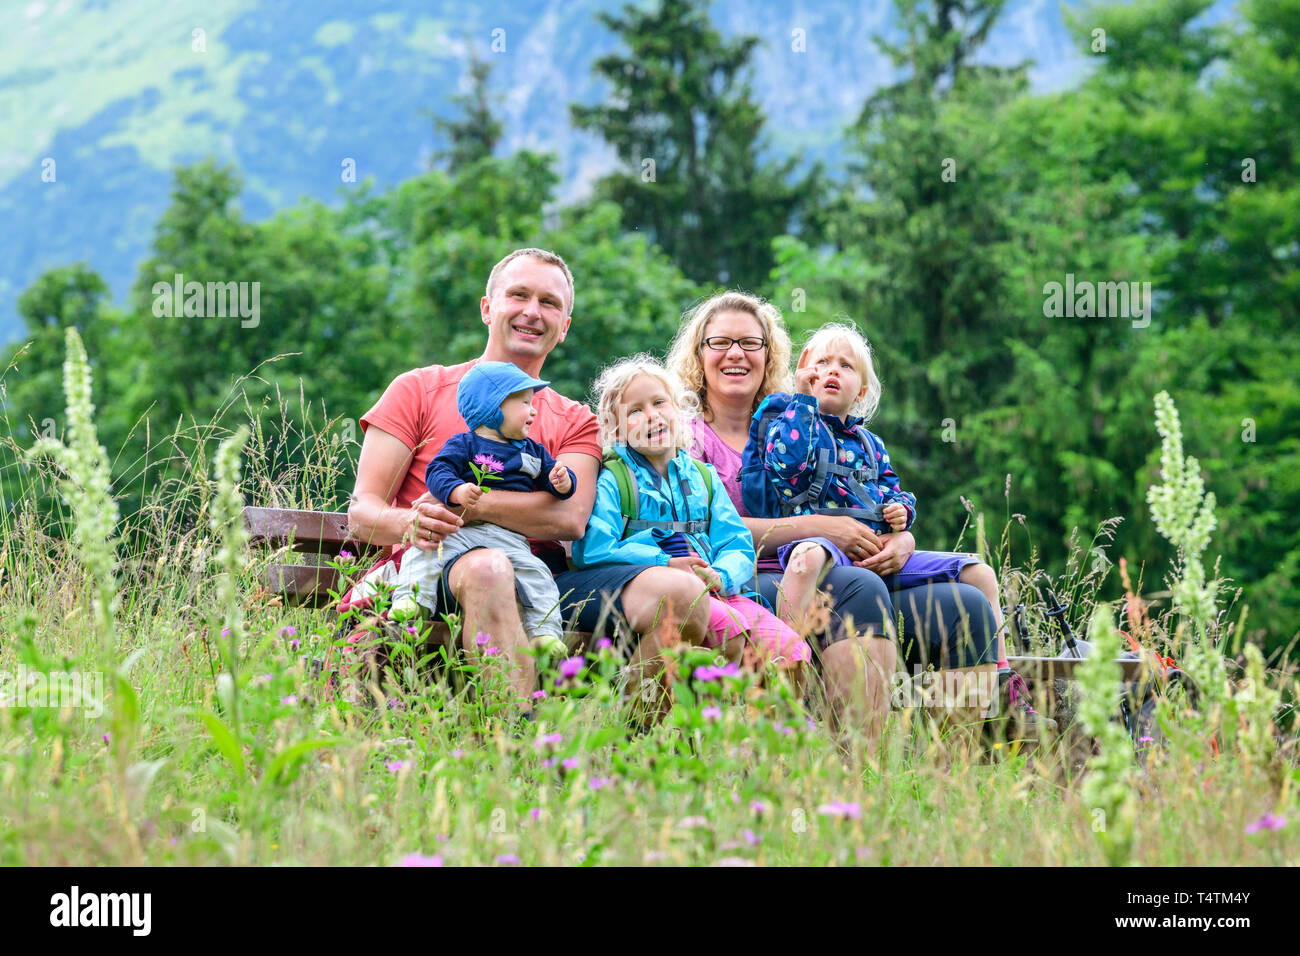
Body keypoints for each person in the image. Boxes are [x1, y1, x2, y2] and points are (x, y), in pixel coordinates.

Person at [345, 247, 713, 714]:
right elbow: (363, 512)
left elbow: (569, 518)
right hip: (432, 570)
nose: (532, 312)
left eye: (550, 303)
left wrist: (470, 505)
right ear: (487, 308)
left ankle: (616, 750)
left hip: (544, 580)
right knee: (487, 567)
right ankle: (516, 752)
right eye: (518, 295)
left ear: (565, 327)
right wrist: (413, 525)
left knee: (684, 596)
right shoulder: (417, 389)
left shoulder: (575, 420)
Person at [665, 292, 1003, 753]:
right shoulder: (683, 436)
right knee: (858, 588)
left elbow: (866, 493)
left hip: (842, 566)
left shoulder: (800, 422)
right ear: (698, 352)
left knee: (966, 605)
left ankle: (953, 771)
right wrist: (821, 528)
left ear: (772, 354)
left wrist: (901, 538)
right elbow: (700, 532)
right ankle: (858, 767)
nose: (736, 354)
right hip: (748, 580)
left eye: (750, 342)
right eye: (719, 341)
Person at [740, 321, 1046, 729]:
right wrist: (801, 399)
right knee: (808, 559)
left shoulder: (871, 444)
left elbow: (892, 489)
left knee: (979, 572)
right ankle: (792, 671)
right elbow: (787, 467)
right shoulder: (791, 421)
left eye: (845, 366)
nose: (832, 371)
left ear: (861, 392)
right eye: (822, 363)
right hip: (815, 539)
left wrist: (902, 516)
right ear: (804, 372)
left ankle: (1004, 686)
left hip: (876, 549)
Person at [572, 356, 809, 698]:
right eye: (634, 411)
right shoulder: (615, 480)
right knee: (730, 637)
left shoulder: (703, 477)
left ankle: (773, 738)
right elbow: (592, 548)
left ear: (677, 410)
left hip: (721, 591)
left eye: (659, 403)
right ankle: (687, 730)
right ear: (617, 428)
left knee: (792, 653)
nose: (651, 416)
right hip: (666, 590)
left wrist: (722, 574)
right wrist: (663, 562)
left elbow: (736, 542)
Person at [389, 360, 575, 659]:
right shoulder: (464, 444)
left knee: (538, 574)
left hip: (508, 538)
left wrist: (563, 481)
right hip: (460, 532)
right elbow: (438, 472)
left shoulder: (533, 451)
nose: (534, 410)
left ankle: (544, 632)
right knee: (423, 552)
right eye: (524, 403)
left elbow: (554, 482)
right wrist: (458, 491)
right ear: (492, 407)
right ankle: (413, 602)